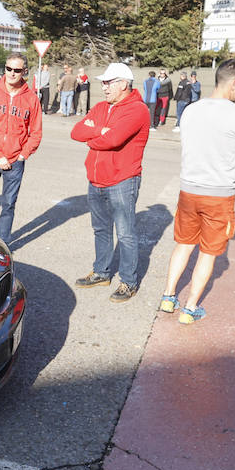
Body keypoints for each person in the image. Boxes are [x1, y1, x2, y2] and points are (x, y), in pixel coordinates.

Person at [160, 59, 235, 323]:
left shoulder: (192, 109)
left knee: (183, 244)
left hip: (189, 189)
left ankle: (169, 296)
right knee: (208, 251)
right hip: (218, 194)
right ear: (234, 82)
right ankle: (190, 308)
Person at [71, 63, 151, 302]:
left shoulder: (137, 110)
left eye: (108, 82)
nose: (103, 87)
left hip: (122, 181)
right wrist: (101, 130)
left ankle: (128, 281)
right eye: (103, 82)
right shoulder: (100, 107)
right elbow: (76, 132)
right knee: (101, 229)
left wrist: (95, 134)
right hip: (96, 179)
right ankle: (101, 272)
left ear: (123, 84)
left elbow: (113, 140)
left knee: (126, 234)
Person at [0, 53, 43, 247]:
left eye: (17, 70)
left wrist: (23, 155)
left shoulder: (31, 98)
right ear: (4, 68)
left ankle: (2, 245)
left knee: (8, 205)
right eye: (8, 69)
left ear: (24, 71)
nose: (12, 74)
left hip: (15, 161)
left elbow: (36, 132)